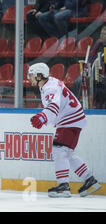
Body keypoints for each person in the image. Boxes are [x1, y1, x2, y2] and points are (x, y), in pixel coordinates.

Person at [27, 62, 101, 197]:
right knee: (67, 154)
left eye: (31, 75)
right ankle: (89, 180)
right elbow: (54, 105)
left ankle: (63, 186)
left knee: (59, 150)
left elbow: (53, 107)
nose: (29, 78)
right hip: (73, 118)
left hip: (70, 120)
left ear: (39, 75)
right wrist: (44, 116)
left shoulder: (49, 87)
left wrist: (43, 117)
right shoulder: (50, 83)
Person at [73, 25, 106, 109]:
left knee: (100, 87)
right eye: (101, 34)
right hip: (93, 74)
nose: (102, 36)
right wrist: (86, 70)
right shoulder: (98, 44)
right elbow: (91, 59)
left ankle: (98, 106)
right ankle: (74, 105)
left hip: (102, 77)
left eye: (104, 34)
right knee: (79, 81)